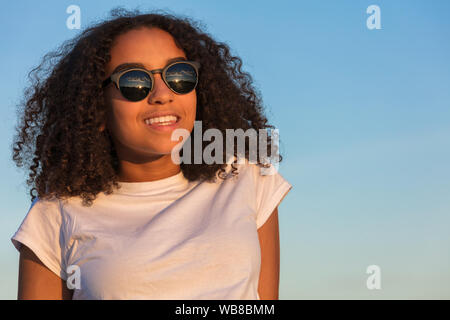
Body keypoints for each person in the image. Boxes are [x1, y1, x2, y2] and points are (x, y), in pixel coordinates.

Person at [10, 8, 292, 300]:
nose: (161, 93)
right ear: (97, 108)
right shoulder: (56, 213)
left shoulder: (246, 179)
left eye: (179, 75)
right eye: (134, 81)